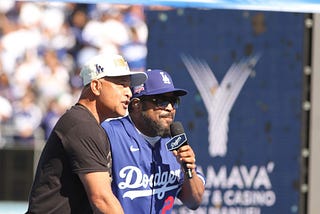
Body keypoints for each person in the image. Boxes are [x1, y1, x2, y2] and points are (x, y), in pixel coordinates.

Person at [26, 54, 147, 214]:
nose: (129, 93)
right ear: (96, 86)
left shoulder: (87, 123)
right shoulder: (82, 125)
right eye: (121, 84)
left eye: (128, 86)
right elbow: (102, 200)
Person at [101, 69, 205, 213]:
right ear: (136, 105)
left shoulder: (176, 142)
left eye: (173, 101)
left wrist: (188, 169)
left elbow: (194, 202)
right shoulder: (109, 133)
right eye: (161, 101)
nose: (170, 108)